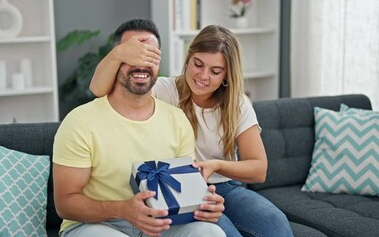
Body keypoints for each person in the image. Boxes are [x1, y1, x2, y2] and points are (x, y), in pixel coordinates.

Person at [89, 24, 294, 237]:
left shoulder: (238, 104)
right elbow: (98, 90)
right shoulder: (164, 90)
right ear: (189, 58)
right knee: (223, 232)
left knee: (274, 223)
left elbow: (259, 169)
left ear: (227, 75)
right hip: (179, 190)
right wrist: (118, 53)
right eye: (198, 64)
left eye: (215, 71)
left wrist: (215, 166)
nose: (203, 76)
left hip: (225, 188)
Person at [53, 19, 226, 237]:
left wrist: (204, 205)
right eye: (132, 55)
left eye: (150, 55)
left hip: (158, 223)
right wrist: (123, 209)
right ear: (114, 60)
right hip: (98, 226)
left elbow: (184, 190)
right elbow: (65, 203)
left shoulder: (177, 119)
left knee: (211, 232)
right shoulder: (80, 121)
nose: (141, 64)